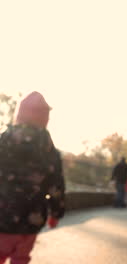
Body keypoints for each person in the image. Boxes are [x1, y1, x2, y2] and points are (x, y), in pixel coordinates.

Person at [0, 91, 65, 264]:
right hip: (31, 219)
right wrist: (56, 213)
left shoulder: (3, 142)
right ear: (45, 119)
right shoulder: (50, 152)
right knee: (21, 258)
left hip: (1, 215)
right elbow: (56, 186)